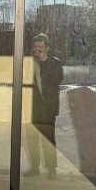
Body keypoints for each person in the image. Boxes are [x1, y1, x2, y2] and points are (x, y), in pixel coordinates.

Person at [26, 33, 63, 178]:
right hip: (31, 107)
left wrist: (44, 62)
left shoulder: (54, 62)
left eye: (41, 46)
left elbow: (57, 79)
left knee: (48, 139)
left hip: (47, 108)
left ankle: (51, 169)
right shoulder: (28, 61)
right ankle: (34, 167)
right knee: (31, 138)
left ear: (47, 48)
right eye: (36, 46)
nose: (38, 48)